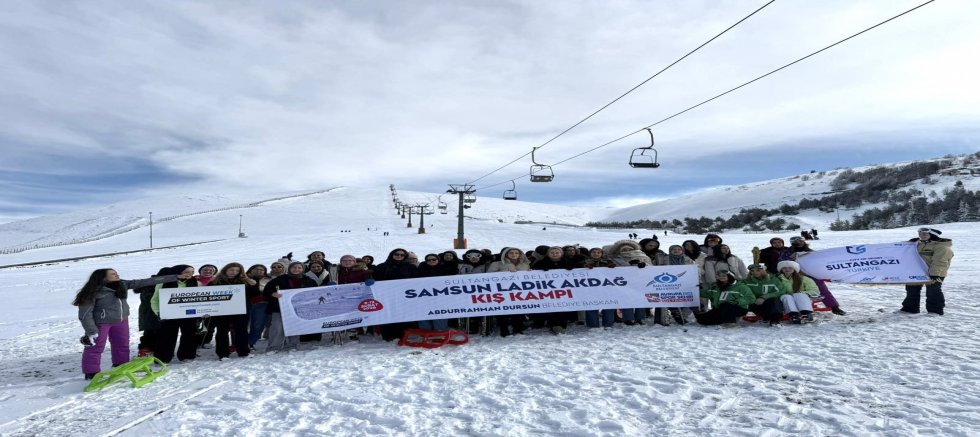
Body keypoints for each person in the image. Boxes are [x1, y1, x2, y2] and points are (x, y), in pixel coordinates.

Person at [73, 268, 177, 379]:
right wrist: (91, 331)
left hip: (121, 321)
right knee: (95, 347)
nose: (117, 275)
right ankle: (91, 372)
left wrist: (175, 277)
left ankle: (121, 365)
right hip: (101, 323)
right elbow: (85, 314)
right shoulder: (92, 292)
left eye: (116, 273)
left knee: (122, 345)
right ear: (103, 278)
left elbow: (145, 282)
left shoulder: (122, 284)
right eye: (113, 274)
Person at [265, 262, 318, 352]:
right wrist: (273, 294)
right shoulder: (280, 279)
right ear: (289, 268)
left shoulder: (309, 280)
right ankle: (273, 347)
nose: (296, 269)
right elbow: (267, 290)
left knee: (294, 326)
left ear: (303, 269)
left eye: (299, 268)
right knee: (277, 327)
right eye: (294, 267)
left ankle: (293, 345)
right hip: (279, 307)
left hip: (298, 308)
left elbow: (315, 293)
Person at [153, 265, 202, 363]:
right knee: (167, 336)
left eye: (192, 272)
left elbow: (202, 298)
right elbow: (154, 300)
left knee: (189, 334)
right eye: (187, 272)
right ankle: (162, 358)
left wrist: (202, 312)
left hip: (189, 314)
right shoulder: (163, 283)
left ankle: (187, 356)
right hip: (169, 314)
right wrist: (158, 312)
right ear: (178, 272)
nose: (190, 274)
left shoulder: (197, 283)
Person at [789, 236, 847, 315]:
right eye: (796, 242)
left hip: (810, 274)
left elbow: (819, 262)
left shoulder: (811, 252)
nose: (799, 244)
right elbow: (784, 262)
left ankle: (834, 307)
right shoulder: (788, 252)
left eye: (800, 241)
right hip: (793, 274)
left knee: (821, 288)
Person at [901, 228, 954, 315]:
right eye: (920, 234)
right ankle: (910, 308)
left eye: (925, 234)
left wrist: (935, 274)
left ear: (932, 235)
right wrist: (908, 243)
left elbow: (940, 262)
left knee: (933, 291)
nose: (922, 236)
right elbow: (899, 249)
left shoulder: (942, 247)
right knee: (912, 289)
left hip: (935, 273)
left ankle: (935, 311)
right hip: (917, 272)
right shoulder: (918, 244)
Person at [208, 263, 254, 359]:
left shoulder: (245, 281)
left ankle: (243, 352)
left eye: (237, 271)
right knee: (222, 331)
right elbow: (208, 296)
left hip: (241, 310)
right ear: (225, 270)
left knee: (242, 331)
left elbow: (254, 295)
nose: (234, 272)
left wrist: (253, 285)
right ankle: (223, 354)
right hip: (221, 311)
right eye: (231, 270)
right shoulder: (215, 282)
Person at [531, 247, 579, 334]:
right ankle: (554, 325)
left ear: (561, 253)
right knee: (551, 307)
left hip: (565, 290)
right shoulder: (541, 262)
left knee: (563, 307)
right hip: (548, 290)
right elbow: (532, 273)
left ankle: (562, 324)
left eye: (557, 252)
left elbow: (579, 272)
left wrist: (572, 269)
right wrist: (540, 270)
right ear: (548, 254)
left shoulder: (568, 262)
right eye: (552, 253)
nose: (555, 254)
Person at [373, 249, 418, 341]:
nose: (399, 256)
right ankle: (387, 335)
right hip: (386, 295)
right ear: (392, 255)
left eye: (402, 255)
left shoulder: (410, 267)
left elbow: (416, 280)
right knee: (387, 313)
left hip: (404, 296)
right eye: (397, 254)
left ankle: (401, 334)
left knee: (402, 314)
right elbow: (376, 279)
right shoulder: (382, 267)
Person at [487, 247, 532, 336]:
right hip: (502, 291)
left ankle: (517, 328)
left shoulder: (525, 264)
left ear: (520, 254)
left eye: (516, 253)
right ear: (506, 254)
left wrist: (531, 273)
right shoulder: (497, 264)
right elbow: (488, 276)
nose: (514, 255)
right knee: (503, 310)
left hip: (519, 292)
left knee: (519, 310)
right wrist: (506, 272)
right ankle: (504, 329)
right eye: (511, 253)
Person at [606, 240, 652, 325]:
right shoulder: (615, 258)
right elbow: (613, 269)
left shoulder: (643, 256)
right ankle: (628, 318)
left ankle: (640, 318)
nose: (627, 251)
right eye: (624, 249)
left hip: (640, 281)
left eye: (629, 249)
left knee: (640, 299)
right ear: (619, 250)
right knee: (626, 300)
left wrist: (643, 265)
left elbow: (650, 268)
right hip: (623, 282)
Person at [134, 267, 170, 357]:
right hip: (149, 311)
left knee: (160, 330)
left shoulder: (165, 282)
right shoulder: (150, 283)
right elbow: (150, 298)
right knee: (150, 331)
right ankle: (145, 349)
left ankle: (156, 348)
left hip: (160, 310)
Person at [416, 254, 454, 331]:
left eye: (434, 259)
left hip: (441, 295)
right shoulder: (420, 269)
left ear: (438, 260)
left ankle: (440, 330)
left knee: (440, 313)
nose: (431, 261)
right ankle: (425, 331)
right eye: (428, 260)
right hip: (424, 295)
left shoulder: (445, 269)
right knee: (424, 312)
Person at [245, 264, 271, 349]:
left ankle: (252, 342)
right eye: (256, 269)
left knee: (257, 324)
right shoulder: (244, 279)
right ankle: (240, 342)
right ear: (251, 270)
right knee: (243, 325)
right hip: (245, 304)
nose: (258, 271)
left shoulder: (268, 280)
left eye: (261, 270)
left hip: (261, 304)